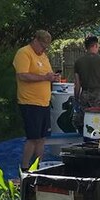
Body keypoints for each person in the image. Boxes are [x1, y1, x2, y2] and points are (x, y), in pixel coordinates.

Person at [13, 29, 59, 172]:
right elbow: (22, 75)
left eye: (46, 47)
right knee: (33, 137)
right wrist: (44, 78)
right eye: (42, 46)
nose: (43, 49)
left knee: (42, 138)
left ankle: (38, 166)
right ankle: (25, 167)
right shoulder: (24, 53)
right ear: (35, 41)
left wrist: (52, 77)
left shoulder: (43, 56)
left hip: (44, 102)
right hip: (30, 102)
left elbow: (46, 74)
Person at [72, 35, 100, 131]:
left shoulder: (78, 62)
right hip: (98, 95)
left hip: (85, 94)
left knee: (86, 122)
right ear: (95, 45)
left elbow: (77, 84)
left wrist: (76, 98)